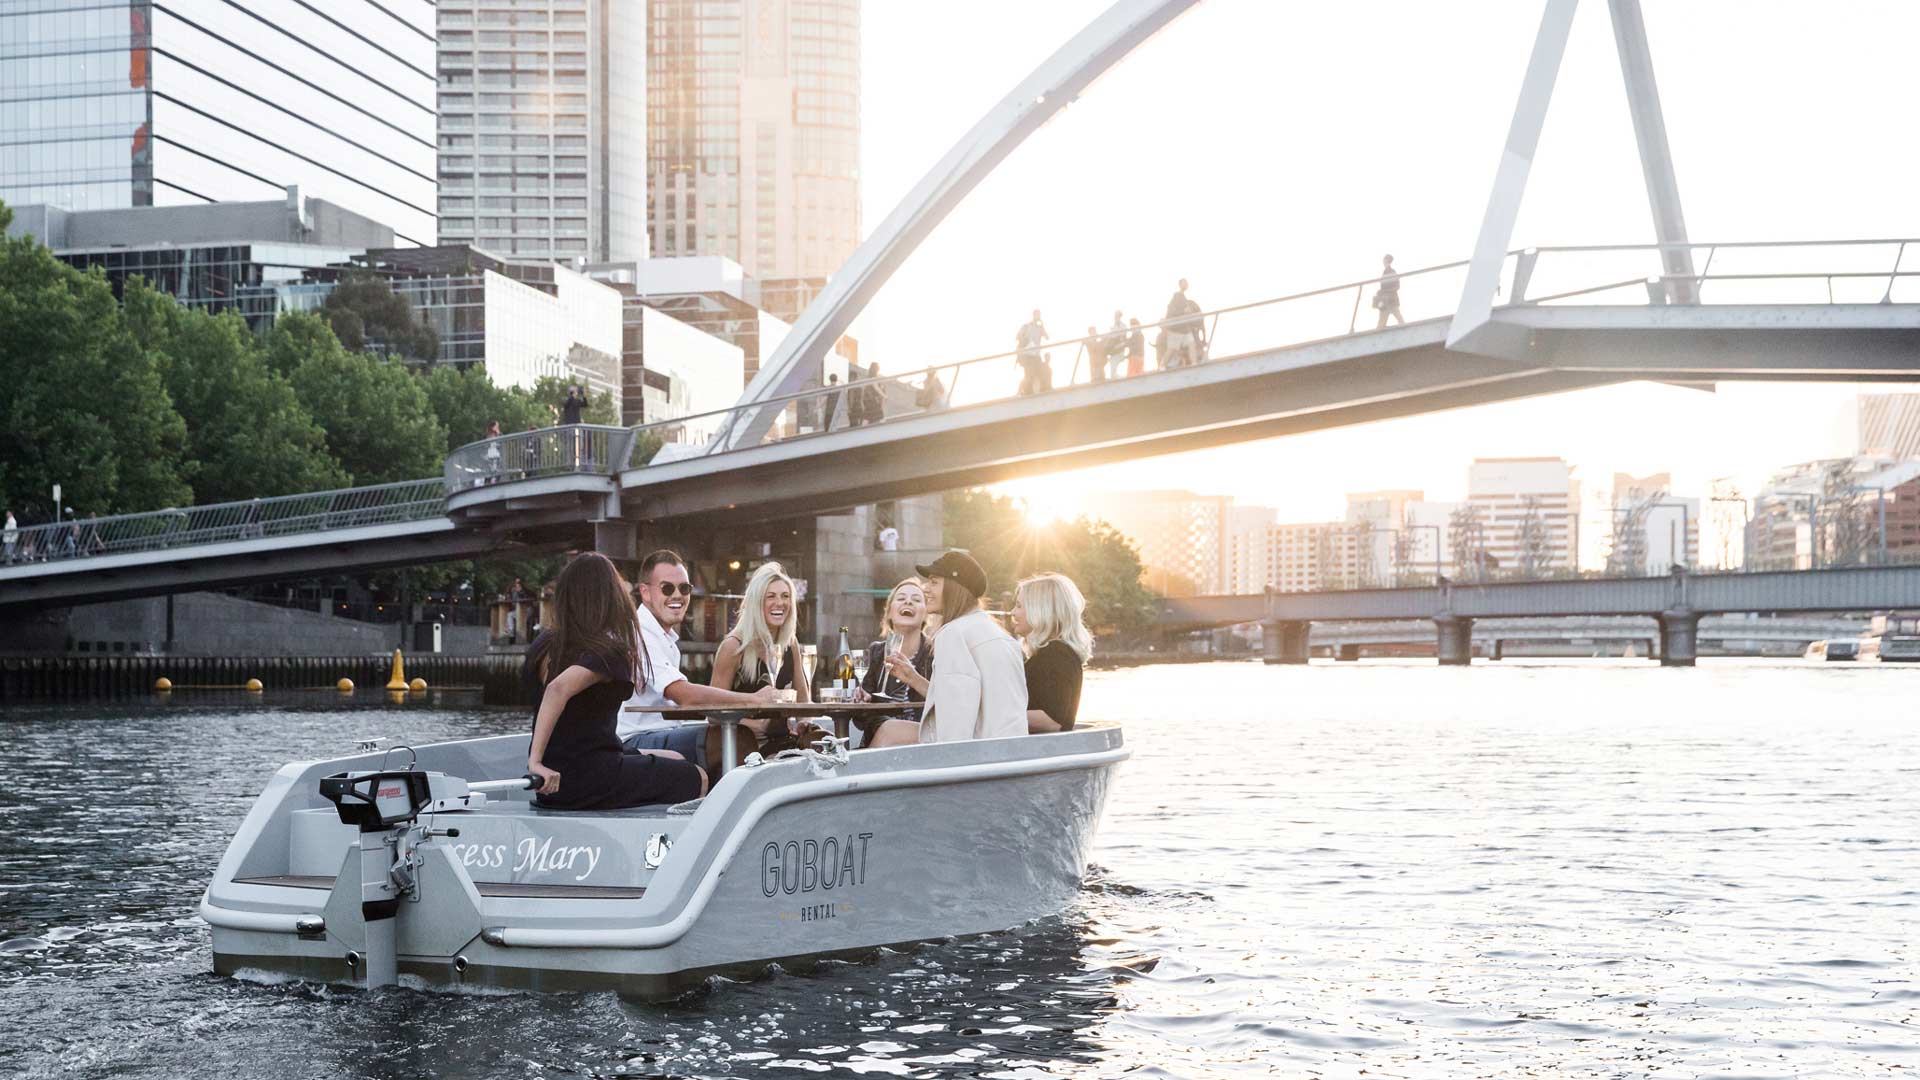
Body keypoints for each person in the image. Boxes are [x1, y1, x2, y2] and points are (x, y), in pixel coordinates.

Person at [524, 552, 708, 809]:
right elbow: (557, 689)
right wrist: (535, 762)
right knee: (696, 776)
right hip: (590, 777)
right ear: (612, 595)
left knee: (675, 757)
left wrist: (539, 763)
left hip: (559, 777)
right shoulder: (609, 652)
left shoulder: (545, 644)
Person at [621, 549, 779, 776]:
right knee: (736, 738)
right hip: (634, 741)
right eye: (667, 588)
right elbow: (684, 694)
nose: (678, 595)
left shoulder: (663, 638)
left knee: (740, 734)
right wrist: (754, 699)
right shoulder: (640, 634)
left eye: (684, 588)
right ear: (645, 592)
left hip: (662, 731)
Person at [868, 551, 1026, 746]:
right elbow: (964, 698)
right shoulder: (999, 634)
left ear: (954, 587)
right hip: (1011, 751)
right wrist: (914, 679)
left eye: (934, 582)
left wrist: (945, 770)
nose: (925, 588)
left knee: (888, 731)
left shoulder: (953, 634)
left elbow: (955, 723)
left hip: (980, 755)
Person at [1011, 573, 1092, 733]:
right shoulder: (1052, 653)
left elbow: (1052, 720)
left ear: (1040, 610)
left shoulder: (1055, 655)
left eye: (1019, 606)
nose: (1013, 612)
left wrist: (995, 715)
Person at [1164, 279, 1202, 367]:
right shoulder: (1177, 296)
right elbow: (1172, 311)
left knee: (1191, 343)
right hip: (1177, 329)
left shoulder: (1183, 297)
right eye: (1184, 283)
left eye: (1187, 283)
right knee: (1171, 349)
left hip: (1184, 328)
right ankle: (1162, 365)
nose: (1186, 285)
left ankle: (1194, 363)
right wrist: (1183, 311)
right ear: (1180, 284)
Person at [1016, 310, 1047, 396]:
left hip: (1036, 355)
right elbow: (1017, 336)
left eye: (1039, 315)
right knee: (1028, 375)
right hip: (1027, 355)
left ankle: (1035, 391)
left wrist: (1042, 325)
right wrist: (1024, 339)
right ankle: (1022, 392)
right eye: (1037, 315)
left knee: (1039, 373)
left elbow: (1047, 337)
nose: (1038, 317)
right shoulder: (1026, 326)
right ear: (1033, 315)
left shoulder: (1039, 328)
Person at [1373, 254, 1403, 328]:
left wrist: (1384, 291)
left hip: (1389, 299)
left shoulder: (1391, 272)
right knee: (1383, 321)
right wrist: (1380, 291)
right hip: (1387, 300)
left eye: (1384, 259)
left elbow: (1397, 286)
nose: (1383, 261)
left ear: (1386, 260)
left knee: (1383, 321)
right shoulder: (1387, 272)